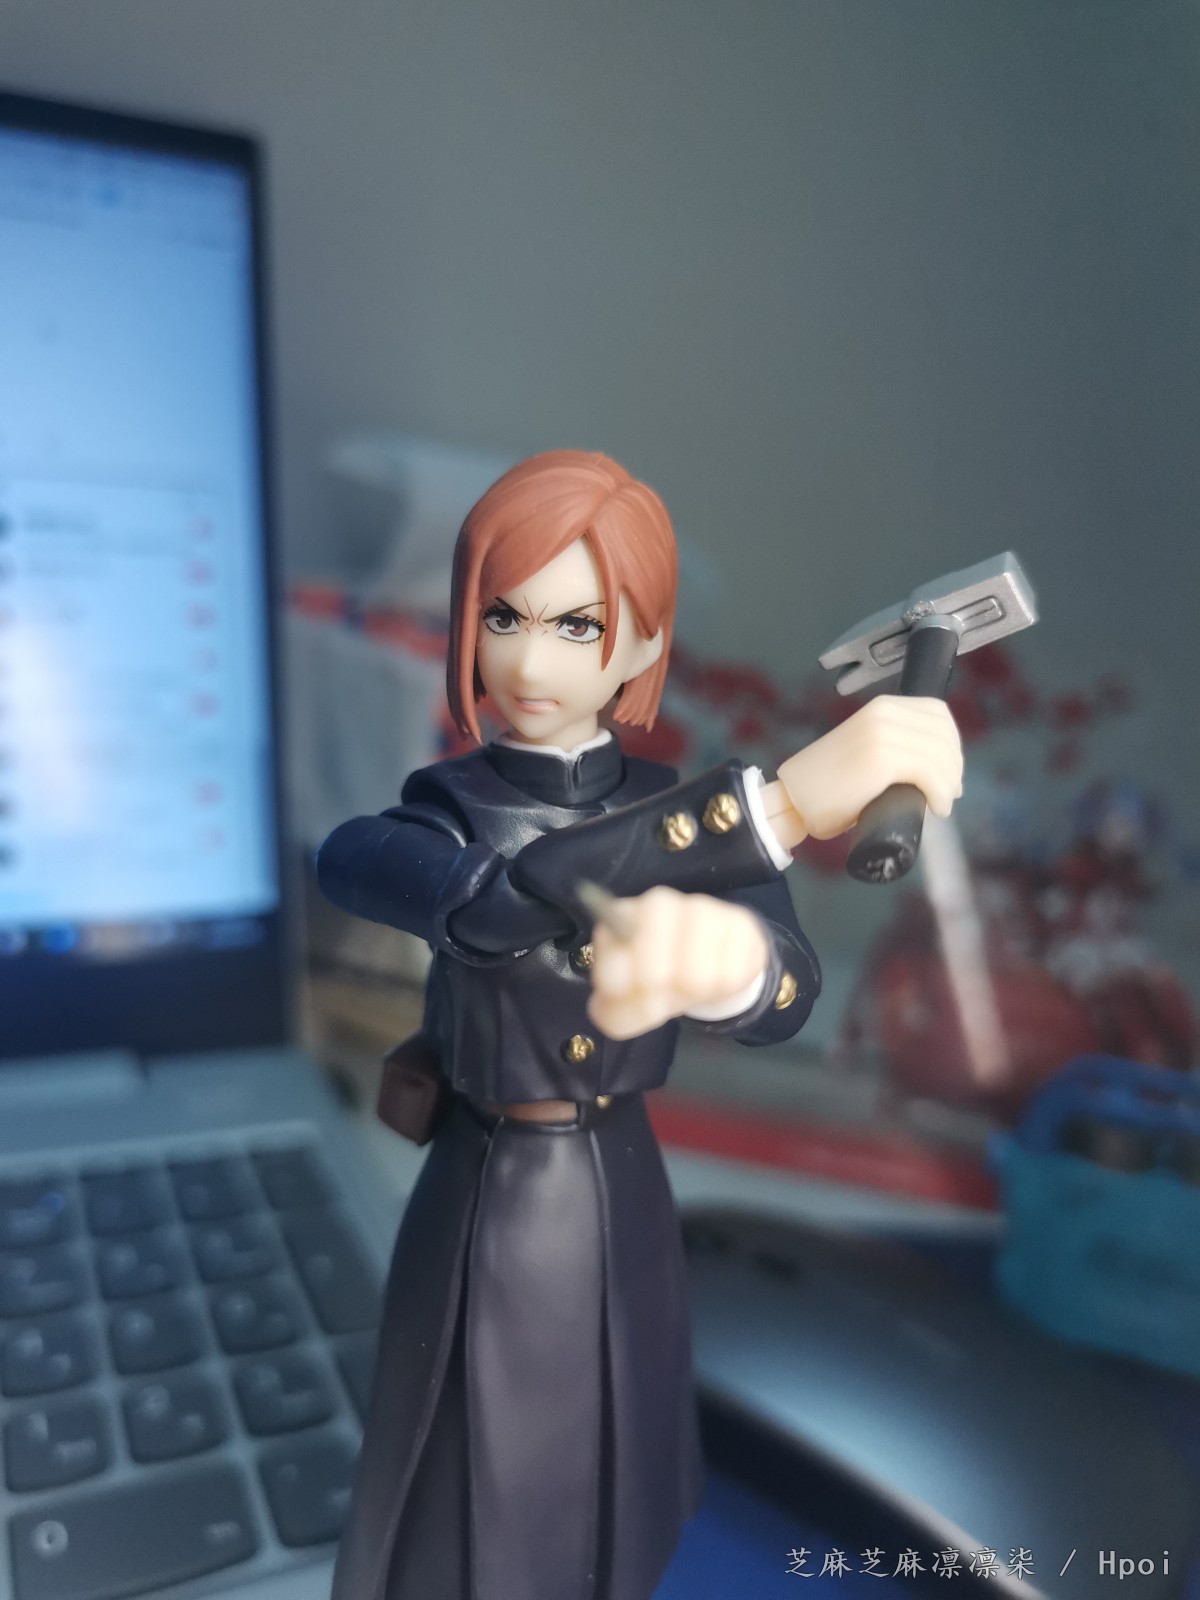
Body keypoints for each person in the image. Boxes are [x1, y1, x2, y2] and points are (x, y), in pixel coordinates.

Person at [316, 449, 963, 1600]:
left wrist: (730, 967)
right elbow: (494, 902)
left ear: (644, 643)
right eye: (505, 615)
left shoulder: (674, 808)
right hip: (488, 1183)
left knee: (623, 1466)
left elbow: (789, 994)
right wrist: (773, 806)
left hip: (623, 1177)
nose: (530, 660)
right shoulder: (441, 814)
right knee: (470, 1484)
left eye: (578, 625)